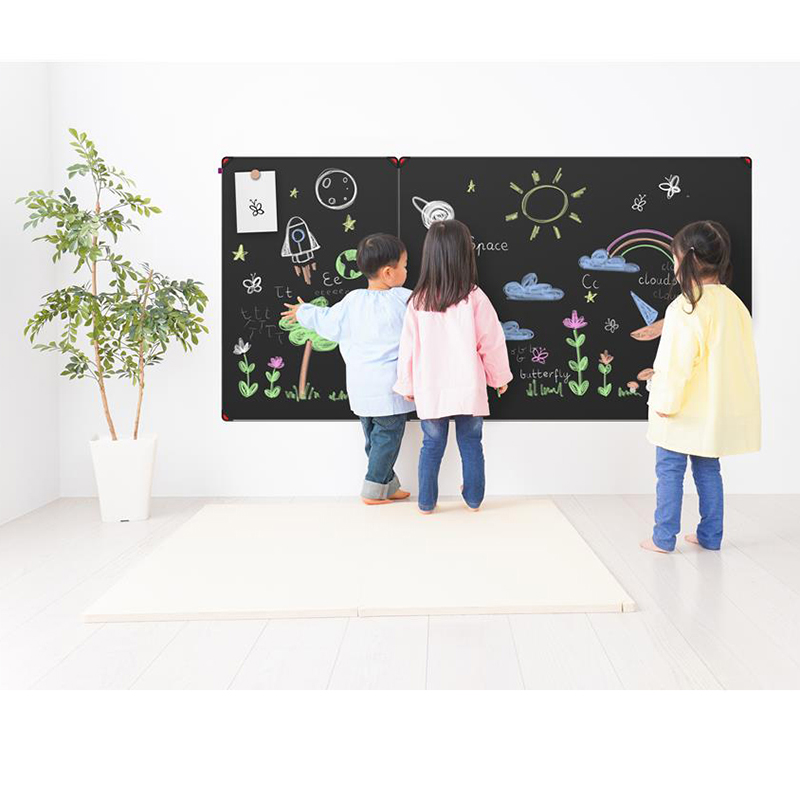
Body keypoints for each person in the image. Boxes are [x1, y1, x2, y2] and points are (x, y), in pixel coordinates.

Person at [641, 220, 760, 553]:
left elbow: (676, 364)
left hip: (681, 410)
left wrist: (665, 402)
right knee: (708, 470)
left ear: (687, 261)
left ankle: (663, 538)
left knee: (669, 470)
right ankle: (710, 535)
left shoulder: (686, 307)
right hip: (713, 410)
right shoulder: (734, 304)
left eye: (674, 259)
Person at [282, 233, 415, 505]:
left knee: (373, 441)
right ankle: (373, 490)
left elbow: (326, 319)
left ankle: (387, 485)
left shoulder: (353, 300)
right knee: (387, 440)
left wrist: (303, 311)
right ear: (388, 273)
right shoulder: (404, 299)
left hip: (361, 388)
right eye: (404, 265)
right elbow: (429, 318)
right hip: (390, 389)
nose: (407, 270)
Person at [394, 219, 512, 514]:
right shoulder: (474, 297)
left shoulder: (418, 301)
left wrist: (406, 384)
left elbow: (407, 348)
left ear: (430, 254)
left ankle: (426, 503)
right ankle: (473, 499)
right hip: (468, 388)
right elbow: (492, 341)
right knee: (471, 443)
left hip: (431, 388)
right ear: (464, 254)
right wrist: (498, 377)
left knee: (431, 446)